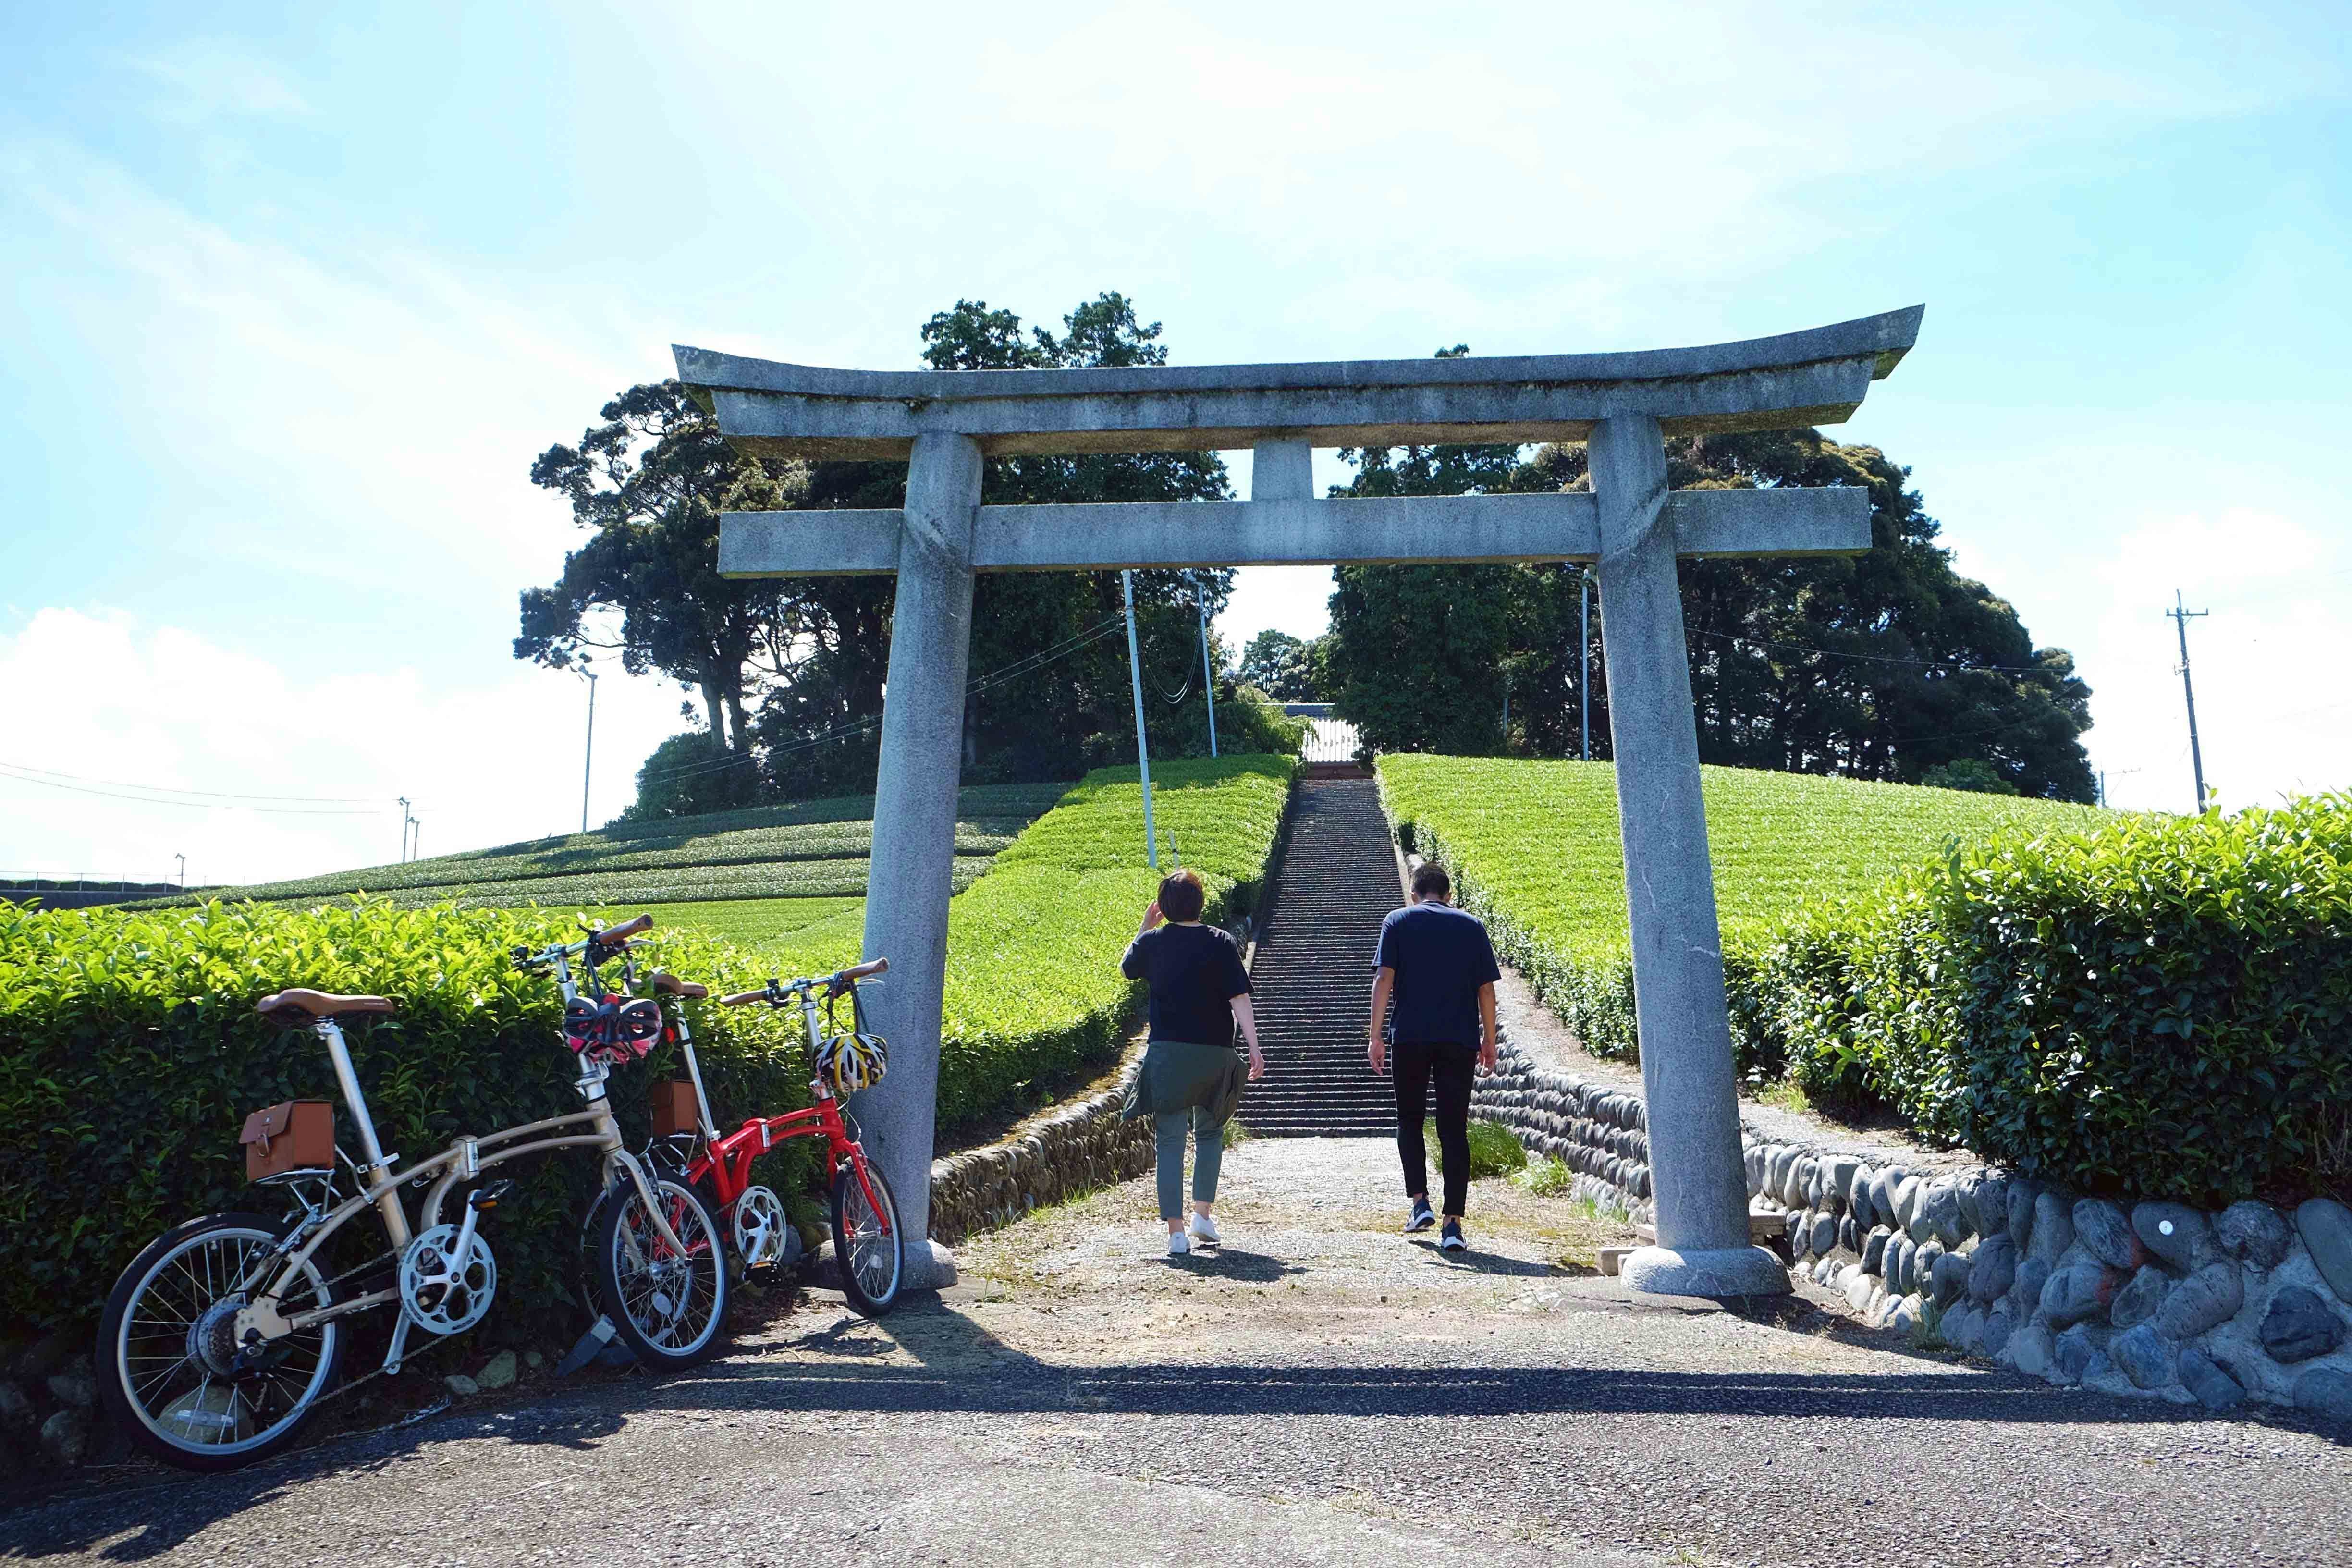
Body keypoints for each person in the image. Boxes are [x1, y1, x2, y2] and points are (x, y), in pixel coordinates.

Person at [1119, 867, 1266, 1256]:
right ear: (1201, 904)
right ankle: (1203, 1214)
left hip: (1168, 1053)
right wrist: (1253, 1045)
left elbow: (1127, 968)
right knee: (1210, 1133)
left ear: (1164, 909)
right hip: (1214, 1052)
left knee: (1169, 1141)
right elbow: (1239, 999)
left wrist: (1144, 927)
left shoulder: (1154, 941)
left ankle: (1176, 1234)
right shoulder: (1220, 942)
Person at [1368, 859, 1500, 1252]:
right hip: (1458, 1040)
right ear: (1448, 895)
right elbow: (1487, 991)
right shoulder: (1471, 926)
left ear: (1414, 893)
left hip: (1408, 1037)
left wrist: (1375, 1036)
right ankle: (1453, 1224)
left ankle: (1420, 1202)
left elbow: (1383, 979)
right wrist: (1488, 1039)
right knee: (1454, 1128)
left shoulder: (1397, 921)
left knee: (1409, 1120)